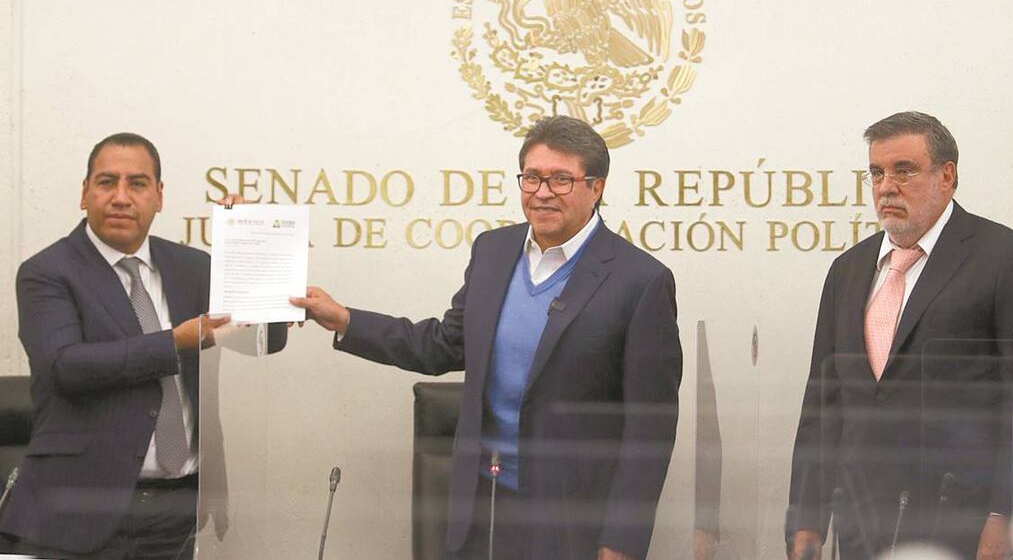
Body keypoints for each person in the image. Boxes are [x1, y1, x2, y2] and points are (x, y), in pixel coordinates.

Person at [293, 116, 682, 560]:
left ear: (597, 187)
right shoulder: (494, 250)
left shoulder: (641, 280)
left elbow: (650, 429)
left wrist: (622, 541)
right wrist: (344, 319)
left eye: (561, 179)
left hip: (572, 521)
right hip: (481, 506)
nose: (542, 192)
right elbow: (444, 344)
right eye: (532, 177)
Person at [786, 112, 1013, 560]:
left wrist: (1006, 517)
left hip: (961, 524)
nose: (886, 186)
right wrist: (806, 519)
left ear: (947, 175)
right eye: (876, 172)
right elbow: (823, 405)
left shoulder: (1008, 261)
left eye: (904, 170)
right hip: (862, 524)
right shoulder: (848, 271)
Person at [0, 133, 284, 559]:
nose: (120, 197)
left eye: (137, 183)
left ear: (159, 196)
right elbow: (65, 366)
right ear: (84, 193)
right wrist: (177, 341)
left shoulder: (192, 267)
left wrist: (251, 246)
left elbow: (266, 340)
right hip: (79, 510)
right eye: (106, 182)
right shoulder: (47, 272)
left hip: (178, 507)